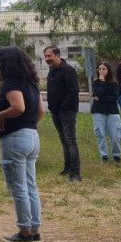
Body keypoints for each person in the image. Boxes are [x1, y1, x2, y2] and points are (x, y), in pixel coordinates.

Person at [0, 46, 44, 242]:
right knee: (30, 185)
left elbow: (18, 107)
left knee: (18, 186)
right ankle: (34, 229)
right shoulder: (32, 83)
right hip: (32, 135)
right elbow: (40, 110)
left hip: (15, 138)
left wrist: (2, 115)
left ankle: (24, 231)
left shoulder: (11, 82)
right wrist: (29, 125)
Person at [44, 46, 81, 181]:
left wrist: (63, 107)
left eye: (49, 56)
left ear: (57, 55)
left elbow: (73, 90)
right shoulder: (52, 71)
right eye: (46, 56)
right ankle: (67, 168)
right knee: (63, 139)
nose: (47, 59)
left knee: (70, 139)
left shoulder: (67, 70)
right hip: (55, 111)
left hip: (67, 111)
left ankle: (76, 173)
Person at [89, 61, 121, 163]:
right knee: (100, 134)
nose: (101, 71)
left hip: (112, 111)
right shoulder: (96, 83)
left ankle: (116, 155)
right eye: (100, 69)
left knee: (115, 135)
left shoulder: (114, 83)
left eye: (104, 69)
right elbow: (96, 93)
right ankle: (104, 156)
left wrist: (100, 97)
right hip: (98, 110)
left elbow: (114, 97)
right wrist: (102, 82)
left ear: (109, 70)